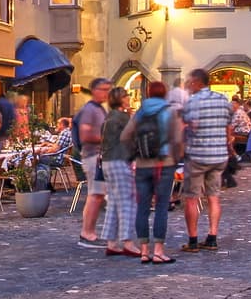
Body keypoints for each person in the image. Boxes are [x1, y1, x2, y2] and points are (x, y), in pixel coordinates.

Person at [179, 68, 234, 253]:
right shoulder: (222, 99)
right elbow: (228, 126)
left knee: (192, 198)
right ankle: (212, 237)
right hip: (219, 156)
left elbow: (185, 125)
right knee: (213, 197)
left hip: (198, 155)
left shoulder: (193, 102)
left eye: (189, 81)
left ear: (196, 82)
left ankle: (193, 240)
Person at [131, 81, 182, 264]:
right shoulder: (170, 112)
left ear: (147, 92)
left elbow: (125, 137)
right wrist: (176, 158)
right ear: (165, 93)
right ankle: (159, 251)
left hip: (142, 164)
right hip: (164, 163)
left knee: (142, 208)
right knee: (161, 206)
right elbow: (177, 140)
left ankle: (144, 250)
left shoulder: (139, 112)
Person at [98, 87, 139, 258]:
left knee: (114, 202)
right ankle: (128, 242)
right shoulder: (123, 117)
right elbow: (131, 139)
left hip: (107, 161)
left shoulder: (108, 117)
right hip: (120, 160)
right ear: (120, 99)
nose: (129, 98)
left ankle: (111, 242)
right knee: (128, 202)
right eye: (126, 96)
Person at [75, 78, 112, 247]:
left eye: (108, 89)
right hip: (93, 157)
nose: (106, 93)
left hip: (98, 157)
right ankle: (87, 233)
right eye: (103, 89)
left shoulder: (99, 109)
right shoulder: (90, 110)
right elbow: (85, 136)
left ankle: (89, 231)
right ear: (94, 90)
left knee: (95, 194)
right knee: (96, 195)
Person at [223, 96, 251, 188]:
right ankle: (234, 157)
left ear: (235, 106)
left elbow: (231, 127)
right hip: (243, 132)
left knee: (229, 139)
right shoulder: (238, 112)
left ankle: (234, 157)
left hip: (243, 133)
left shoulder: (238, 113)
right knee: (228, 138)